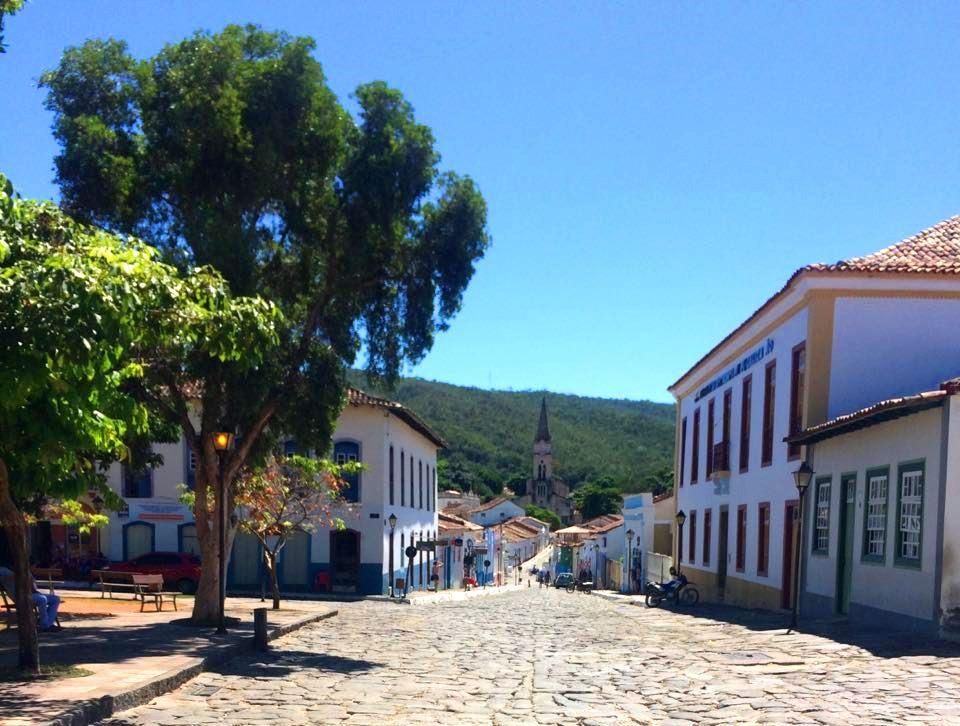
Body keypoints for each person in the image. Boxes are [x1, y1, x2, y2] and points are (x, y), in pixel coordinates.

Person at [0, 565, 62, 631]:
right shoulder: (4, 570)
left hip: (32, 595)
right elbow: (11, 577)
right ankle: (45, 625)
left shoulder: (25, 570)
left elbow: (33, 587)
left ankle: (47, 624)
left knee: (55, 599)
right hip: (20, 597)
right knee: (42, 599)